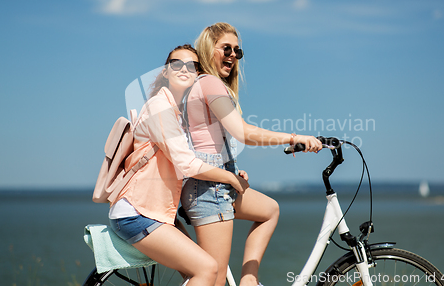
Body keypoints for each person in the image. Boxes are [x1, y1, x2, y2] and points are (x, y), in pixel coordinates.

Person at [181, 23, 322, 286]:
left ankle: (249, 280)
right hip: (209, 190)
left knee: (269, 210)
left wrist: (232, 169)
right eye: (226, 48)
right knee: (214, 280)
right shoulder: (209, 83)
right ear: (209, 49)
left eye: (237, 51)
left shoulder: (206, 86)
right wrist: (295, 137)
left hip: (218, 183)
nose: (233, 55)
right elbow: (243, 133)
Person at [109, 44, 249, 286]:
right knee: (207, 269)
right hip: (137, 213)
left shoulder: (178, 111)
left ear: (198, 74)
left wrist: (230, 171)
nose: (184, 69)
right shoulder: (159, 107)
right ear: (165, 71)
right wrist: (230, 179)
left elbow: (192, 158)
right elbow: (187, 163)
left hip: (156, 212)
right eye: (176, 64)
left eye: (192, 66)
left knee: (201, 273)